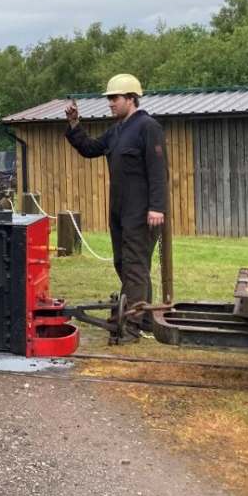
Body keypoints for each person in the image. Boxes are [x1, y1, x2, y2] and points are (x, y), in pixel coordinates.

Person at [64, 73, 167, 336]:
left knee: (134, 266)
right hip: (120, 210)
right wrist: (74, 123)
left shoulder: (148, 127)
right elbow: (89, 148)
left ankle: (131, 326)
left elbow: (158, 170)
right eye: (109, 98)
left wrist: (157, 207)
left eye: (114, 98)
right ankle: (144, 319)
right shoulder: (117, 130)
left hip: (142, 211)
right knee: (125, 263)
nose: (110, 103)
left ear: (131, 99)